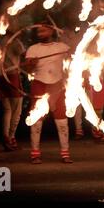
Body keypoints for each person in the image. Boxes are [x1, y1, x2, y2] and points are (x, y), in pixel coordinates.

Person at [24, 23, 72, 164]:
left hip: (57, 86)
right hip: (39, 84)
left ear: (51, 31)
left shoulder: (62, 47)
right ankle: (35, 153)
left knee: (62, 121)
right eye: (38, 31)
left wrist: (70, 39)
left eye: (43, 30)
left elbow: (76, 55)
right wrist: (31, 64)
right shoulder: (33, 49)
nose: (40, 33)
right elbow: (28, 70)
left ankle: (65, 153)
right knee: (37, 121)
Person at [0, 32, 24, 151]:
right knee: (16, 111)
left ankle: (6, 137)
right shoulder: (14, 41)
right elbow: (25, 55)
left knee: (7, 110)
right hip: (11, 77)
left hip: (1, 77)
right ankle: (11, 138)